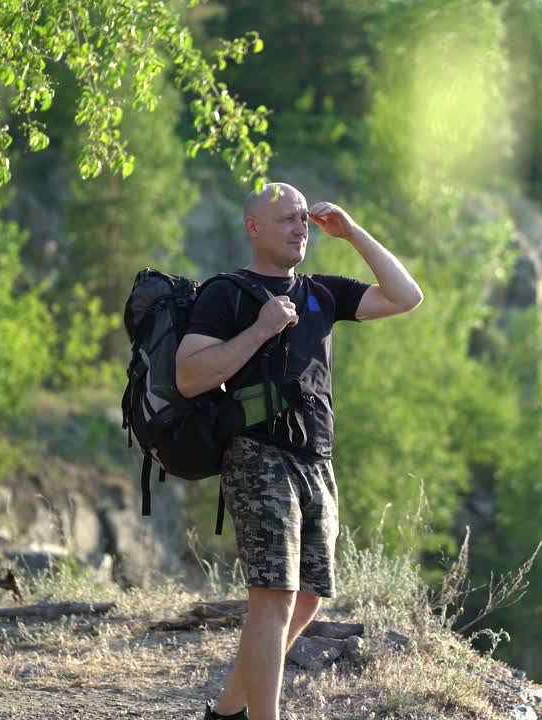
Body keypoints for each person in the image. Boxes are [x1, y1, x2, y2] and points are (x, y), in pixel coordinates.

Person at [175, 182, 423, 720]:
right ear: (253, 227)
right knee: (274, 597)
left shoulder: (321, 293)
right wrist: (261, 331)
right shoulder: (227, 294)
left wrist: (353, 232)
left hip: (317, 460)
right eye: (286, 219)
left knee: (307, 598)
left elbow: (407, 296)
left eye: (303, 220)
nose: (299, 228)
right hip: (259, 457)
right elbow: (190, 375)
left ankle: (225, 715)